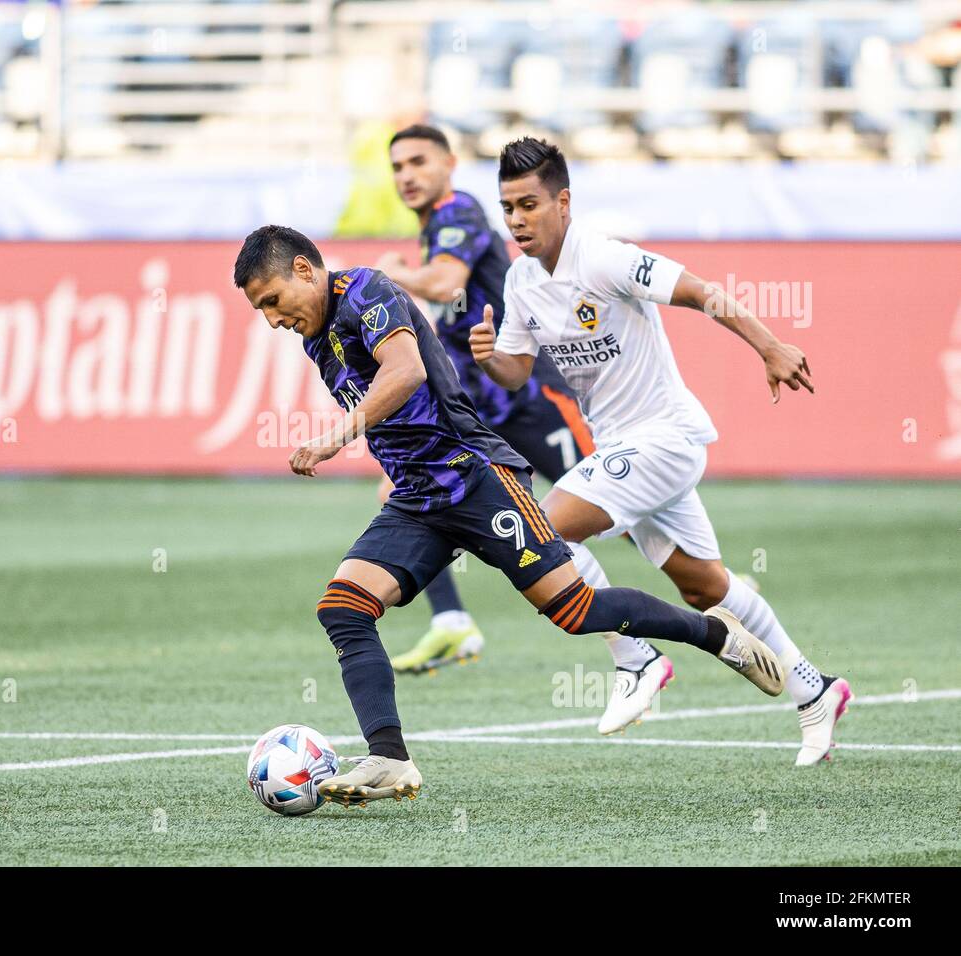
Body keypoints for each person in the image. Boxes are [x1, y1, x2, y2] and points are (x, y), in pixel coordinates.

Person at [232, 225, 785, 805]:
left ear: (303, 270)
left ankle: (717, 634)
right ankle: (390, 758)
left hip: (478, 478)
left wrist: (335, 435)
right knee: (343, 608)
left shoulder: (368, 291)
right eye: (260, 310)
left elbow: (408, 371)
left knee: (576, 611)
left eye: (272, 300)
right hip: (418, 497)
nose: (272, 319)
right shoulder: (316, 339)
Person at [472, 137, 850, 765]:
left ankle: (636, 657)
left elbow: (704, 293)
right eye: (508, 207)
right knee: (704, 588)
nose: (516, 220)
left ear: (563, 202)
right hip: (625, 449)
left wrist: (770, 346)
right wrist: (492, 359)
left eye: (529, 204)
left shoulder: (606, 259)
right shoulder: (520, 279)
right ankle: (815, 690)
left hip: (663, 438)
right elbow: (516, 370)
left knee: (541, 530)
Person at [374, 124, 594, 675]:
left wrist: (391, 276)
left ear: (449, 163)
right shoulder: (436, 226)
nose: (407, 176)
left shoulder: (460, 213)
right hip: (477, 409)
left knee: (609, 502)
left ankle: (711, 581)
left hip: (528, 393)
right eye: (398, 167)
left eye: (418, 162)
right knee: (405, 488)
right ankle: (452, 623)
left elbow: (447, 283)